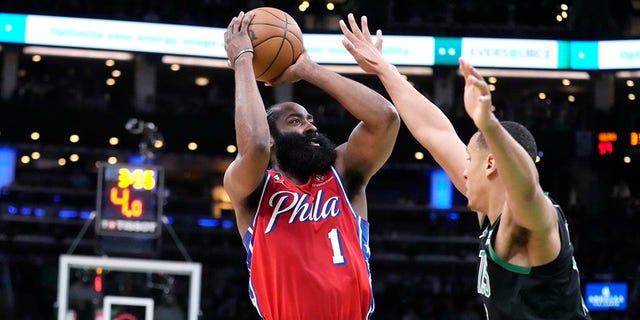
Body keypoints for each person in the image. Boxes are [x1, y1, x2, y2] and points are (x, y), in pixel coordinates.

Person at [339, 13, 591, 319]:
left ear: (491, 164)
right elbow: (435, 132)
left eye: (470, 159)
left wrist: (488, 123)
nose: (464, 169)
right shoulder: (490, 209)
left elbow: (526, 185)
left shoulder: (530, 217)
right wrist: (382, 67)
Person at [223, 11, 400, 319]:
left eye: (310, 120)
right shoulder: (253, 188)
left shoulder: (343, 172)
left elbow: (385, 119)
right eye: (295, 121)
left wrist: (309, 69)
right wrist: (243, 61)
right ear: (275, 140)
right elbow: (255, 146)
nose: (310, 127)